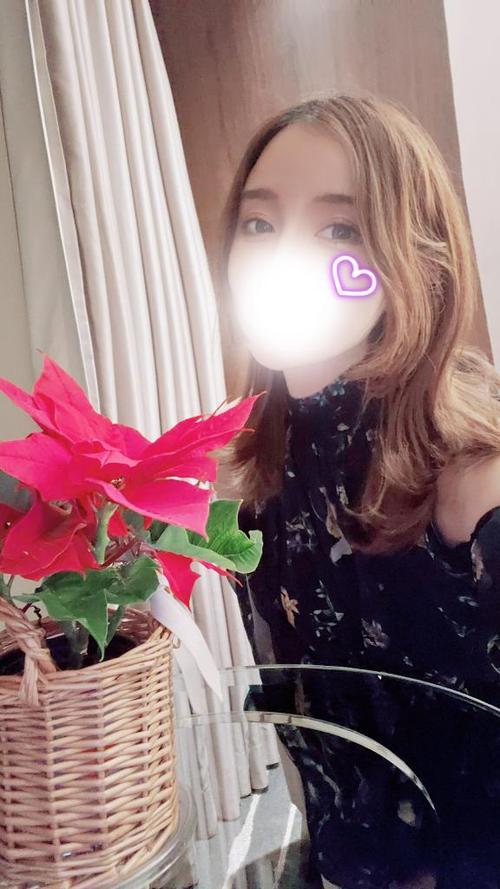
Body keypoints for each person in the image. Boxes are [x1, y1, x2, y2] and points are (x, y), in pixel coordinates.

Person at [212, 93, 500, 888]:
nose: (282, 258)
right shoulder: (247, 477)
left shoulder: (471, 479)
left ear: (418, 259)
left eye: (340, 228)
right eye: (259, 223)